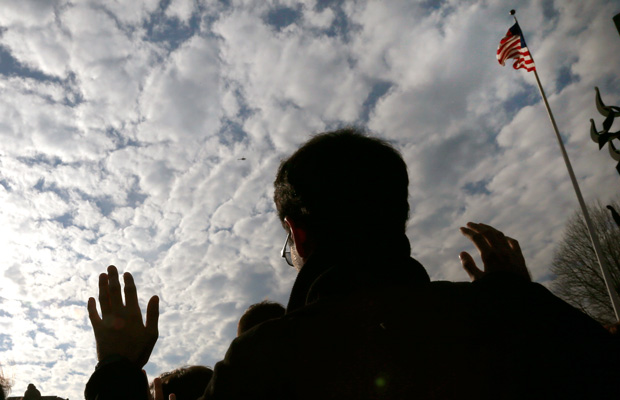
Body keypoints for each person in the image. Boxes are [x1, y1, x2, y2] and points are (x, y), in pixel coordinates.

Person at [85, 128, 620, 399]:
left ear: (297, 231)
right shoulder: (524, 323)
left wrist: (118, 368)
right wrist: (518, 302)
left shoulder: (264, 362)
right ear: (396, 216)